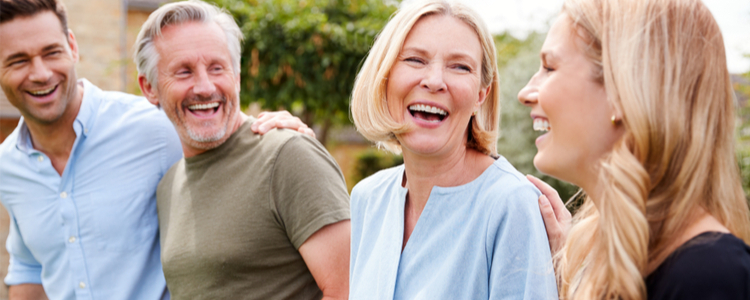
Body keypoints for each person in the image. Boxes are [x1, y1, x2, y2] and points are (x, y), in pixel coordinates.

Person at [0, 1, 311, 299]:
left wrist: (281, 135)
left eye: (51, 52)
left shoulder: (156, 128)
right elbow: (29, 266)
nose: (40, 73)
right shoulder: (7, 167)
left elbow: (221, 128)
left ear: (72, 46)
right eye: (18, 60)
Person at [517, 0, 750, 298]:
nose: (525, 93)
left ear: (622, 90)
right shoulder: (611, 263)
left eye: (550, 67)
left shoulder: (711, 276)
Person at [133, 1, 351, 299]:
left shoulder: (288, 155)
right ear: (149, 88)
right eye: (184, 72)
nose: (205, 86)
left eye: (217, 68)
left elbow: (350, 289)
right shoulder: (168, 186)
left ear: (236, 76)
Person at [348, 0, 558, 299]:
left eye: (460, 66)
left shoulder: (511, 205)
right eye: (415, 60)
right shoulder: (367, 199)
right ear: (385, 78)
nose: (434, 81)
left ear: (480, 96)